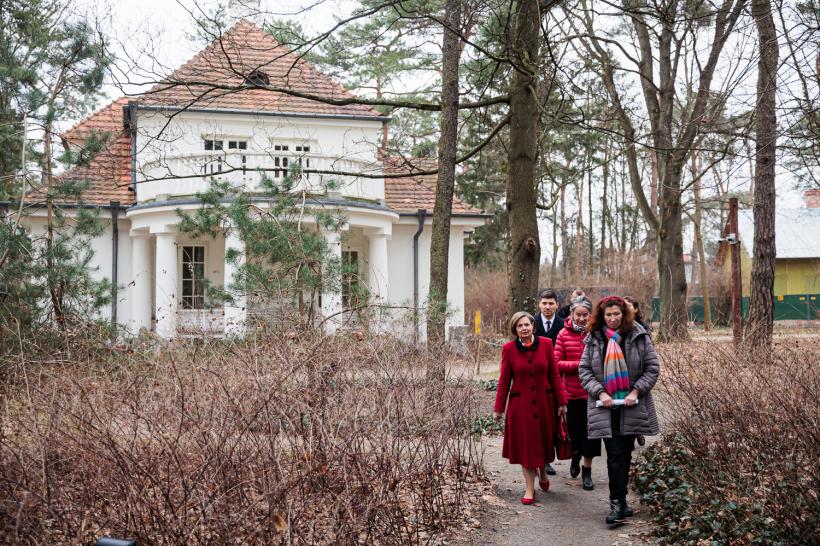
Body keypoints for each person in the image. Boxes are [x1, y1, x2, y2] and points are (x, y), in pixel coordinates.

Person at [579, 296, 660, 524]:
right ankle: (616, 504)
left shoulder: (638, 336)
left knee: (625, 454)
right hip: (605, 407)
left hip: (631, 405)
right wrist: (601, 393)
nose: (613, 318)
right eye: (608, 315)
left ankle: (622, 502)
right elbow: (584, 370)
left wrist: (636, 392)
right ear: (602, 317)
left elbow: (652, 368)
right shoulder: (594, 339)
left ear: (624, 314)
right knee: (615, 454)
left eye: (617, 314)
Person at [494, 311, 568, 505]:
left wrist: (562, 402)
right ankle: (529, 489)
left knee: (543, 442)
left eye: (526, 325)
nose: (524, 328)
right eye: (519, 326)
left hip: (545, 403)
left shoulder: (546, 344)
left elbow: (554, 375)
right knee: (527, 447)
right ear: (514, 330)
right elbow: (504, 381)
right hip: (521, 406)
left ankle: (543, 470)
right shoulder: (509, 349)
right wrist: (498, 408)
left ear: (533, 326)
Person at [553, 296, 601, 491]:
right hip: (571, 393)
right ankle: (575, 455)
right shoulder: (563, 334)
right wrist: (580, 366)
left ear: (590, 315)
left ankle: (587, 471)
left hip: (593, 394)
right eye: (578, 314)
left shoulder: (596, 335)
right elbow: (557, 363)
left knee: (592, 434)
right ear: (571, 314)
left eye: (585, 315)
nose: (581, 318)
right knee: (574, 432)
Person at [532, 289, 566, 475]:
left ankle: (548, 457)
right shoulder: (532, 324)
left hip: (557, 378)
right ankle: (539, 459)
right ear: (539, 304)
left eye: (551, 303)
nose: (547, 307)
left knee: (553, 419)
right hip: (536, 378)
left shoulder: (563, 325)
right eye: (544, 303)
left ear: (557, 305)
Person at [623, 296, 650, 447]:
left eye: (629, 306)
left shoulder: (641, 327)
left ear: (636, 309)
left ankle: (635, 433)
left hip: (637, 373)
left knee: (635, 407)